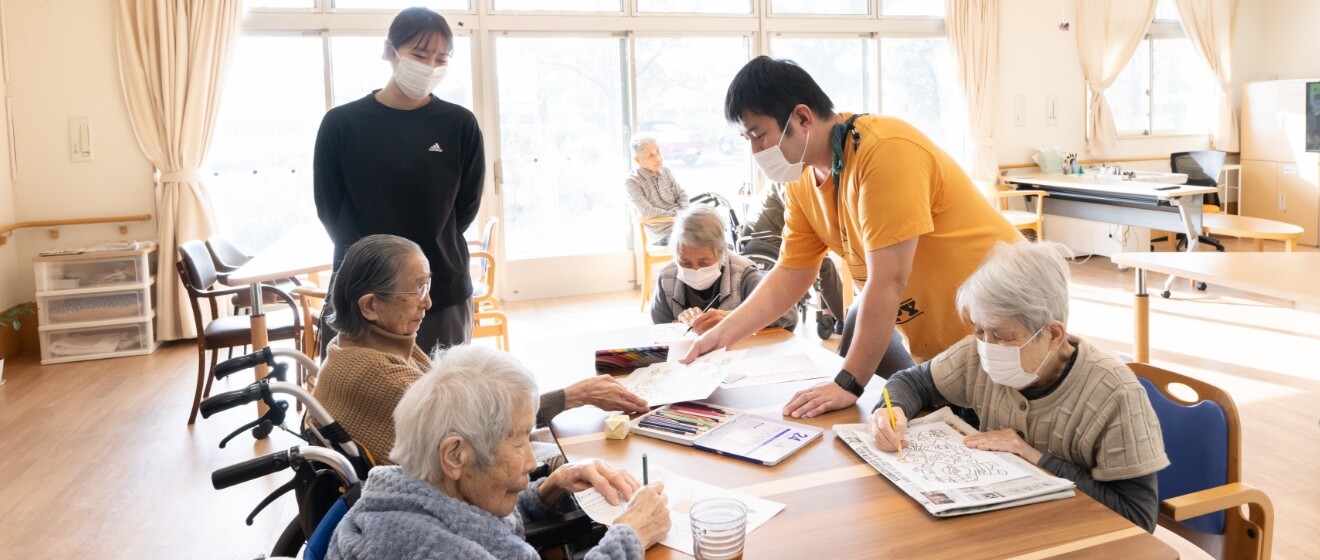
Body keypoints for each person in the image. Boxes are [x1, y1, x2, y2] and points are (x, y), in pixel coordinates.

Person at [681, 56, 1022, 420]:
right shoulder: (801, 181)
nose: (755, 150)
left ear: (801, 118)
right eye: (746, 138)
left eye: (758, 134)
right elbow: (792, 272)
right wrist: (724, 335)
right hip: (948, 346)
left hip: (1007, 324)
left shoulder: (885, 150)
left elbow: (888, 280)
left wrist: (848, 382)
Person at [870, 241, 1169, 532]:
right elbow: (912, 381)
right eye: (979, 330)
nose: (986, 346)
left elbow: (1138, 517)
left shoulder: (1114, 392)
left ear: (1053, 334)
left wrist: (1032, 456)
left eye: (1001, 336)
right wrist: (891, 410)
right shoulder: (977, 352)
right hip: (1009, 528)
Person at [313, 235, 648, 464]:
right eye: (417, 290)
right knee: (587, 457)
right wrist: (572, 396)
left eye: (427, 285)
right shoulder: (379, 375)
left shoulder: (355, 347)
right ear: (370, 306)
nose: (428, 302)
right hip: (449, 499)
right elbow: (484, 432)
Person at [327, 345, 670, 559]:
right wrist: (631, 536)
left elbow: (469, 514)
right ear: (455, 455)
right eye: (519, 440)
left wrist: (549, 490)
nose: (534, 460)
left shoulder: (409, 495)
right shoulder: (439, 551)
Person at [314, 7, 484, 353]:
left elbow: (465, 208)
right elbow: (329, 208)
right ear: (390, 50)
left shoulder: (459, 124)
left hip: (440, 288)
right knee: (357, 400)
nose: (430, 67)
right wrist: (375, 261)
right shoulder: (342, 124)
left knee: (444, 399)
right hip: (363, 292)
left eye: (441, 59)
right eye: (420, 55)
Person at [651, 207, 796, 334]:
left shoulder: (743, 274)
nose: (696, 269)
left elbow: (788, 315)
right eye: (685, 262)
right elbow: (658, 331)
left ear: (722, 253)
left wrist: (730, 318)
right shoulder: (667, 278)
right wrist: (678, 326)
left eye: (704, 262)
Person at [738, 181, 844, 332]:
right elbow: (799, 210)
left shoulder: (775, 183)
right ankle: (842, 318)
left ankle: (830, 312)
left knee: (820, 255)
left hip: (758, 239)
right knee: (823, 262)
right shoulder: (785, 182)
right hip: (767, 240)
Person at [625, 134, 690, 244]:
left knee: (714, 225)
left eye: (658, 151)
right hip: (663, 234)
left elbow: (681, 194)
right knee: (707, 237)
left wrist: (685, 212)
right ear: (638, 160)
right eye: (650, 155)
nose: (658, 158)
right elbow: (646, 211)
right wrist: (678, 215)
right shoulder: (632, 182)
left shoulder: (665, 171)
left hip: (684, 224)